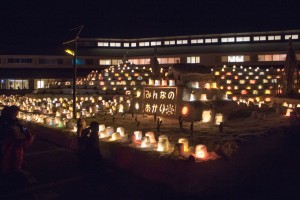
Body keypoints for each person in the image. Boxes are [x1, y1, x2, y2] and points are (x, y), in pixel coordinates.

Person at [1, 105, 34, 185]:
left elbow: (23, 128)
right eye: (15, 113)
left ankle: (16, 170)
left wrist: (27, 130)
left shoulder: (16, 121)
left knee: (17, 158)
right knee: (6, 159)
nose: (16, 115)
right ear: (10, 113)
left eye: (17, 113)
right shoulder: (3, 121)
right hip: (6, 145)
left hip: (16, 144)